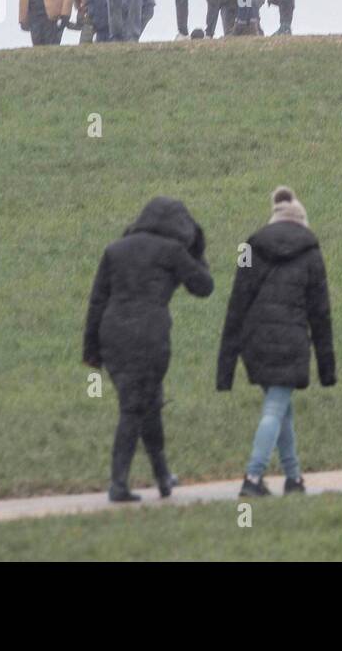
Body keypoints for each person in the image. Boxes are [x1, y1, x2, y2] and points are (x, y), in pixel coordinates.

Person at [83, 197, 213, 501]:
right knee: (134, 406)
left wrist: (91, 350)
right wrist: (198, 253)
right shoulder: (172, 251)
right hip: (149, 335)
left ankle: (162, 477)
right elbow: (204, 287)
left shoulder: (115, 249)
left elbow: (97, 300)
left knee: (148, 403)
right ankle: (118, 484)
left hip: (112, 334)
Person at [218, 187, 335, 497]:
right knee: (275, 408)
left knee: (281, 408)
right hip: (291, 340)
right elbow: (320, 312)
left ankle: (293, 478)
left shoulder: (249, 247)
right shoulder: (312, 251)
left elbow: (236, 301)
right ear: (302, 222)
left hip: (254, 342)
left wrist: (226, 365)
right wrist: (327, 368)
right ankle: (253, 478)